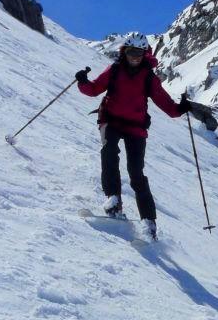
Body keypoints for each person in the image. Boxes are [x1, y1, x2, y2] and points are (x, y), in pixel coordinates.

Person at [76, 39, 195, 240]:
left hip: (136, 127)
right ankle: (113, 201)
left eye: (139, 53)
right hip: (111, 121)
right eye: (131, 52)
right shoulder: (114, 70)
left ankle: (149, 223)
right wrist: (83, 82)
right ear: (125, 51)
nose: (135, 57)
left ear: (145, 54)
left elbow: (166, 104)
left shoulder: (148, 77)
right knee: (109, 152)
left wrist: (180, 108)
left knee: (136, 173)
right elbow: (95, 89)